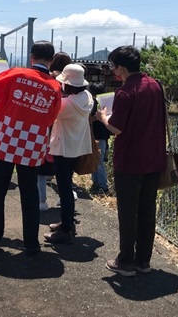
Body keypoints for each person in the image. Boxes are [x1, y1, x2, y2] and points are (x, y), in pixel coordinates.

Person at [0, 40, 62, 255]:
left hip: (5, 140)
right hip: (33, 144)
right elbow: (51, 117)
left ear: (31, 57)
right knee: (30, 192)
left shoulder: (14, 74)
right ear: (51, 61)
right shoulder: (54, 87)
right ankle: (31, 243)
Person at [96, 45, 165, 276]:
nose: (113, 70)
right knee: (147, 211)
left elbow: (117, 127)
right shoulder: (155, 85)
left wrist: (104, 118)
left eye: (113, 66)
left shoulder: (125, 92)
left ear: (122, 68)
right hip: (154, 158)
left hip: (130, 160)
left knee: (127, 212)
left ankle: (125, 261)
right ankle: (143, 261)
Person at [45, 63, 94, 244]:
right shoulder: (87, 97)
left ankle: (66, 229)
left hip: (63, 148)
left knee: (64, 190)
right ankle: (67, 223)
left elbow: (51, 111)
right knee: (67, 187)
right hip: (76, 147)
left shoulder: (67, 104)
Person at [38, 52, 73, 211]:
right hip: (64, 132)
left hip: (46, 128)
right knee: (64, 169)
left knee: (40, 168)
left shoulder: (49, 81)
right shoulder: (71, 85)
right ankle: (64, 197)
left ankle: (42, 201)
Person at [89, 81, 112, 195]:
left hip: (96, 136)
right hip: (104, 136)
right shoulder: (107, 103)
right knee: (97, 161)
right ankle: (97, 183)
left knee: (98, 161)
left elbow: (91, 119)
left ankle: (103, 186)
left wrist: (93, 118)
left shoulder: (93, 103)